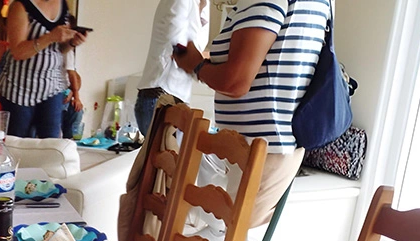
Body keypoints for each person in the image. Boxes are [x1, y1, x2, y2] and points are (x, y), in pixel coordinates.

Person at [172, 0, 330, 225]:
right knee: (231, 240)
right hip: (273, 145)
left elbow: (236, 82)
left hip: (262, 147)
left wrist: (197, 66)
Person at [0, 0, 86, 139]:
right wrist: (50, 37)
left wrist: (72, 43)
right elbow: (18, 52)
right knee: (18, 142)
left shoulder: (62, 5)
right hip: (19, 88)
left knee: (51, 143)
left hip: (51, 86)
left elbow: (59, 49)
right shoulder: (20, 6)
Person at [135, 0, 208, 135]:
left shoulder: (203, 4)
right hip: (160, 97)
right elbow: (178, 48)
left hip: (179, 98)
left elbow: (194, 48)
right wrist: (208, 68)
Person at [62, 67, 83, 139]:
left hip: (66, 103)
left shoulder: (68, 61)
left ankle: (71, 140)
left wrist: (72, 92)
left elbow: (77, 79)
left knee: (77, 110)